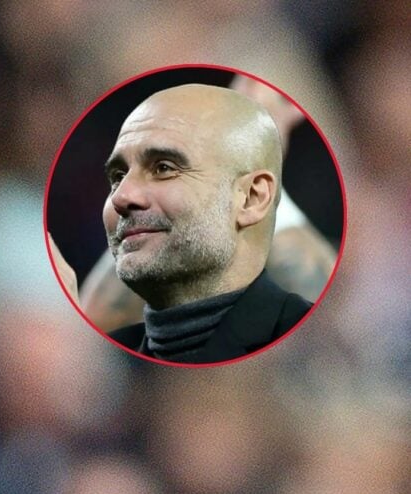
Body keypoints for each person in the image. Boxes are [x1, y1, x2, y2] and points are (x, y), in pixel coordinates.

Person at [92, 83, 311, 364]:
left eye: (164, 168)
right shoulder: (109, 363)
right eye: (118, 176)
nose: (120, 196)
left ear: (252, 198)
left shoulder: (300, 349)